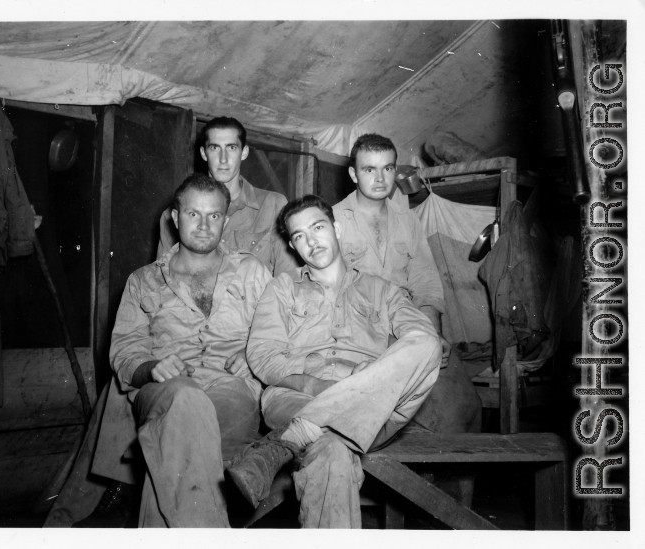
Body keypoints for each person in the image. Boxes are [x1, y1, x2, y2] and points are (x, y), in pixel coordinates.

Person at [227, 195, 442, 528]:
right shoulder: (282, 288)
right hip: (296, 397)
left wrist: (370, 378)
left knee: (428, 342)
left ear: (336, 228)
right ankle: (306, 428)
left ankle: (292, 437)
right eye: (299, 236)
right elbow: (264, 356)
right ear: (293, 247)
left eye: (317, 227)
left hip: (375, 404)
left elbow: (421, 339)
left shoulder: (382, 290)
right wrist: (318, 384)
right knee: (332, 451)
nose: (311, 241)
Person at [97, 174, 271, 527]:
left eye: (214, 216)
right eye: (194, 215)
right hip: (163, 391)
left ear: (226, 220)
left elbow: (284, 337)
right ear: (175, 218)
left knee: (169, 441)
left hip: (233, 393)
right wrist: (151, 368)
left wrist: (257, 358)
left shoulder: (252, 272)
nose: (204, 225)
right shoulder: (143, 280)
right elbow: (125, 350)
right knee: (182, 404)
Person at [333, 133, 481, 435]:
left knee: (463, 405)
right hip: (357, 333)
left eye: (387, 168)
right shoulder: (333, 220)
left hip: (407, 326)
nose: (379, 178)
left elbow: (425, 282)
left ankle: (453, 479)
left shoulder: (407, 221)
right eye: (369, 169)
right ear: (353, 174)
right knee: (408, 417)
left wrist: (433, 334)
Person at [156, 116, 298, 275]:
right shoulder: (174, 213)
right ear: (203, 153)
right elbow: (163, 279)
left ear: (244, 152)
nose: (223, 159)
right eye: (215, 148)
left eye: (231, 148)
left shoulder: (273, 205)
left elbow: (288, 279)